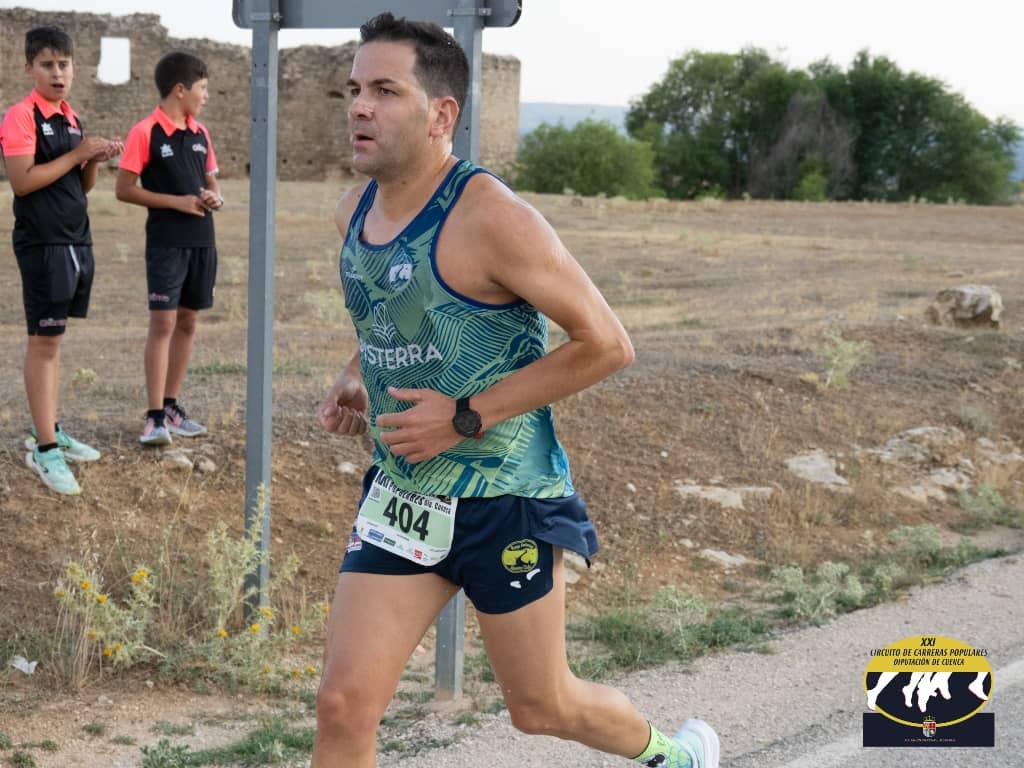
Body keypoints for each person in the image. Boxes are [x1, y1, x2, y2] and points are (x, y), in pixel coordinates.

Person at [313, 13, 719, 768]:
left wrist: (464, 417)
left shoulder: (494, 218)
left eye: (385, 91)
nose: (360, 107)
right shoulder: (353, 213)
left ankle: (677, 754)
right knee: (341, 707)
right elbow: (393, 315)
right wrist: (355, 376)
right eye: (355, 89)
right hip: (404, 495)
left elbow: (607, 344)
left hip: (506, 499)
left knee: (541, 707)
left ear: (442, 115)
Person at [0, 25, 122, 496]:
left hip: (75, 240)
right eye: (47, 65)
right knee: (43, 342)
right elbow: (23, 181)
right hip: (42, 244)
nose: (57, 73)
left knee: (54, 340)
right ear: (29, 68)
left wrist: (93, 159)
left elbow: (81, 186)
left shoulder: (71, 117)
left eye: (64, 65)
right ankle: (44, 449)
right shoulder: (20, 116)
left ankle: (48, 429)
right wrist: (77, 155)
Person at [115, 51, 222, 446]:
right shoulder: (144, 132)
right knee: (163, 323)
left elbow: (213, 185)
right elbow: (124, 190)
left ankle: (172, 407)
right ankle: (154, 416)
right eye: (202, 88)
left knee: (188, 323)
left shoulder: (201, 133)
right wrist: (177, 202)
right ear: (180, 89)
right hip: (165, 244)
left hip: (202, 242)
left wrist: (214, 198)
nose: (206, 96)